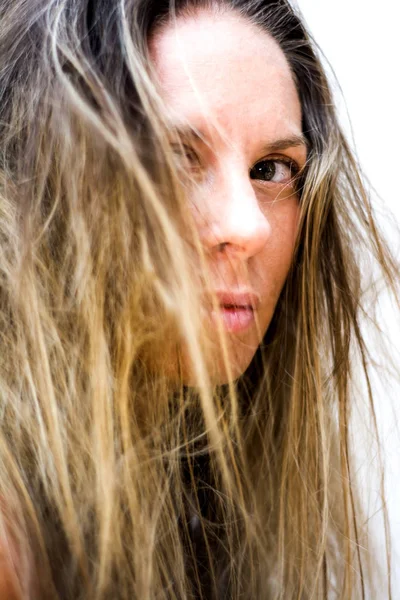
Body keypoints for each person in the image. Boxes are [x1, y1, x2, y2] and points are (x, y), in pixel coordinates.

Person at [0, 0, 398, 598]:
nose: (249, 227)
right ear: (35, 177)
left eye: (271, 168)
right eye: (174, 156)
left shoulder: (209, 510)